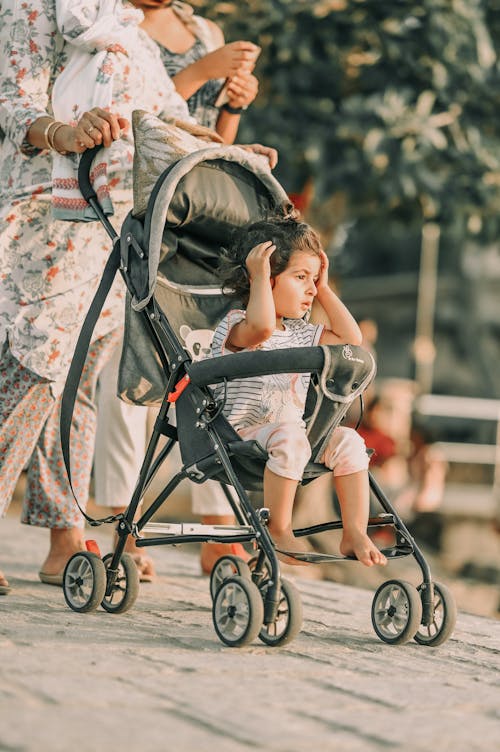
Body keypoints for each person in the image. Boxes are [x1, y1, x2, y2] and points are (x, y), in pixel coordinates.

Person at [0, 0, 277, 594]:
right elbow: (13, 105)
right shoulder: (30, 7)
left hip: (108, 217)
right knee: (30, 375)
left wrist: (228, 155)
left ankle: (65, 532)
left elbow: (164, 117)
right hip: (36, 212)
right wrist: (64, 133)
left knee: (72, 382)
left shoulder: (125, 26)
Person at [95, 0, 262, 575]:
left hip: (191, 209)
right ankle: (122, 516)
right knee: (125, 356)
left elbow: (209, 138)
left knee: (207, 356)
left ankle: (219, 527)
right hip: (130, 199)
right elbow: (134, 105)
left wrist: (231, 109)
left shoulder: (201, 29)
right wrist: (203, 71)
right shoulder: (111, 20)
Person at [210, 216, 388, 567]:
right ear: (263, 277)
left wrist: (324, 288)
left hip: (293, 437)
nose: (309, 288)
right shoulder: (236, 325)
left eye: (313, 279)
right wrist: (258, 276)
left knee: (350, 442)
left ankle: (353, 531)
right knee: (291, 437)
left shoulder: (302, 332)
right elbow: (261, 328)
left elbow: (351, 340)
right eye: (300, 277)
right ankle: (278, 528)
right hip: (240, 435)